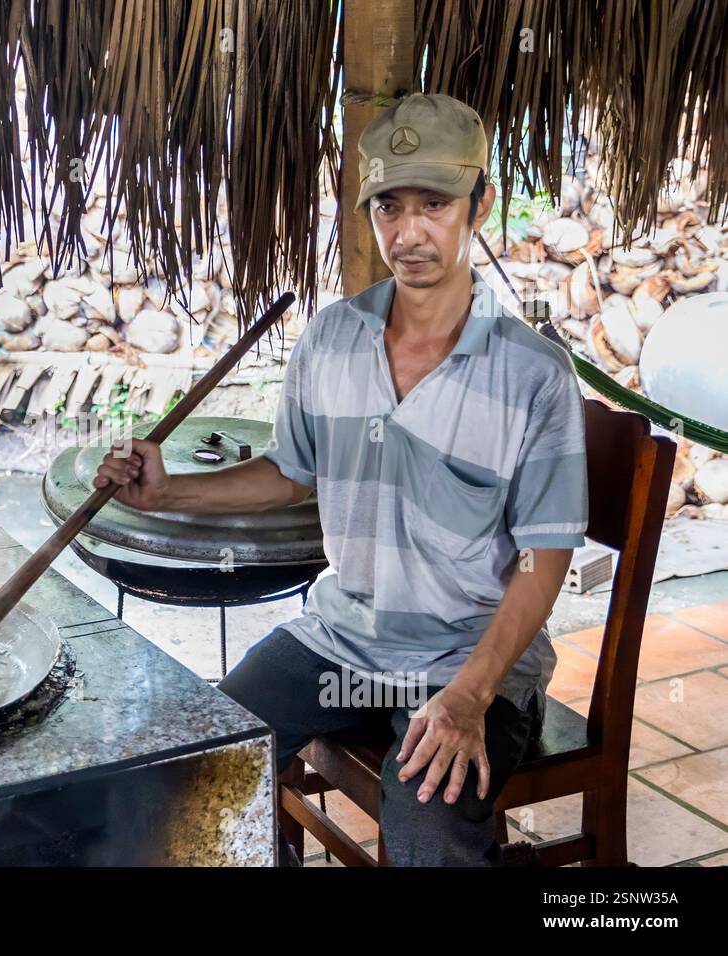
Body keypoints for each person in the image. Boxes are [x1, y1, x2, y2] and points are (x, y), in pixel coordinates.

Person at [94, 93, 588, 866]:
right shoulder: (332, 338)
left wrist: (467, 696)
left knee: (426, 833)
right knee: (187, 780)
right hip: (342, 640)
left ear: (480, 205)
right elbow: (292, 473)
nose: (409, 231)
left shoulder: (531, 373)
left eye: (436, 203)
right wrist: (167, 491)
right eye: (390, 205)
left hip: (469, 658)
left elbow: (546, 558)